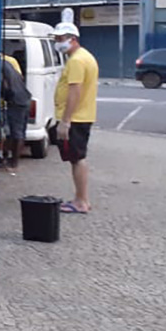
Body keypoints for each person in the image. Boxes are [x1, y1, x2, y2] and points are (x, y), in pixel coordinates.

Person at [51, 22, 99, 214]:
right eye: (56, 39)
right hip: (82, 116)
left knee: (77, 158)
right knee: (76, 158)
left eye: (60, 39)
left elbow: (75, 91)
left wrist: (65, 121)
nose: (57, 43)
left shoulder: (77, 61)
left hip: (77, 118)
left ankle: (81, 201)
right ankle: (81, 198)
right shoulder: (83, 57)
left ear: (73, 39)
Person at [0, 52, 31, 174]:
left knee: (15, 132)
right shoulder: (8, 62)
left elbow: (4, 84)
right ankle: (9, 159)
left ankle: (13, 163)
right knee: (19, 132)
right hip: (24, 96)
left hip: (16, 100)